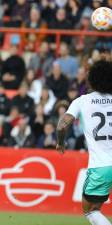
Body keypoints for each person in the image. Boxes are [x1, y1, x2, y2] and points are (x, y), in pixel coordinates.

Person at [56, 60, 112, 225]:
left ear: (92, 79)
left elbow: (61, 126)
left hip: (101, 165)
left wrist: (60, 143)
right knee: (96, 207)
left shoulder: (82, 101)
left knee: (90, 210)